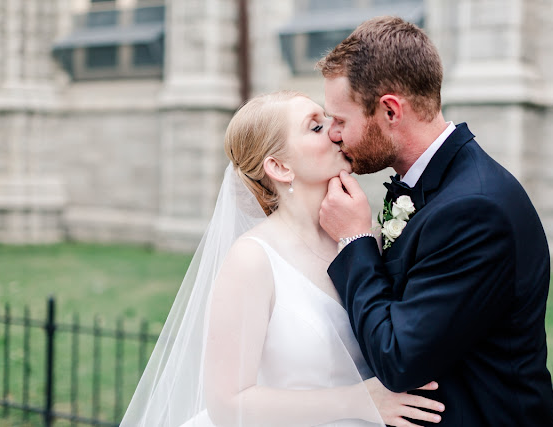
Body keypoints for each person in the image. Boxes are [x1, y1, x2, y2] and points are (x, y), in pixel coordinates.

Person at [120, 91, 445, 427]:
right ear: (279, 166)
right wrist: (360, 401)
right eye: (316, 127)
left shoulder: (365, 239)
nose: (336, 132)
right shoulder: (253, 260)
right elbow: (229, 405)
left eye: (331, 121)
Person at [317, 16, 553, 426]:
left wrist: (355, 239)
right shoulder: (436, 185)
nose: (334, 135)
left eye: (341, 120)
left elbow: (399, 360)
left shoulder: (475, 211)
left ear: (390, 110)